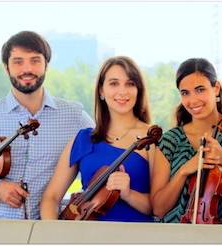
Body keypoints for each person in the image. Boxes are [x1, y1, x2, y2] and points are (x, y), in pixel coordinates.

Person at [0, 31, 94, 219]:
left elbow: (97, 163)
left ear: (46, 65)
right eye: (18, 61)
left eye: (35, 60)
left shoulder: (75, 116)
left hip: (48, 229)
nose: (27, 69)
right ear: (6, 68)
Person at [40, 56, 155, 222]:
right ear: (101, 91)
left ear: (138, 90)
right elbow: (51, 198)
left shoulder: (152, 139)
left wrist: (129, 194)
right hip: (87, 237)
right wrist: (55, 235)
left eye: (130, 84)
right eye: (114, 83)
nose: (122, 91)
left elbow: (160, 207)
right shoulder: (83, 139)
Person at [151, 58, 222, 224]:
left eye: (200, 89)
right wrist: (184, 170)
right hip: (176, 238)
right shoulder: (170, 140)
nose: (193, 100)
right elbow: (158, 209)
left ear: (216, 88)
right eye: (185, 93)